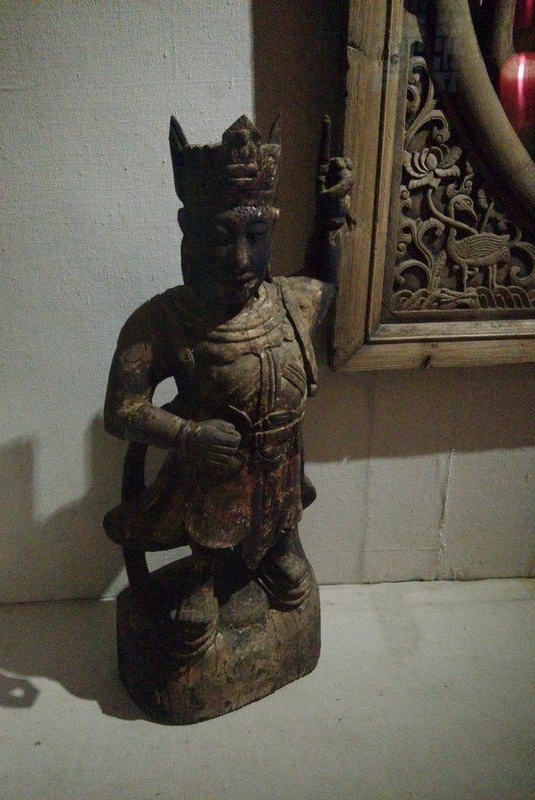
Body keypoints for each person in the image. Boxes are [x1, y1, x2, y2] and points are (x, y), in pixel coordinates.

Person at [104, 114, 352, 657]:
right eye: (220, 237)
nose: (241, 258)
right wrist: (187, 435)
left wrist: (331, 218)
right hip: (211, 475)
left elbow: (324, 284)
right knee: (213, 515)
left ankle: (278, 550)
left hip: (281, 459)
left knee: (283, 507)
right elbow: (122, 409)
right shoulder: (164, 320)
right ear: (188, 232)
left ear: (271, 232)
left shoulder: (288, 300)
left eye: (256, 237)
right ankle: (202, 576)